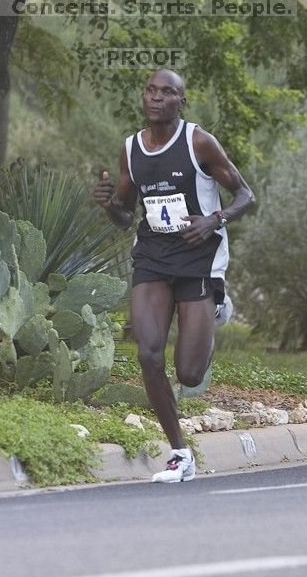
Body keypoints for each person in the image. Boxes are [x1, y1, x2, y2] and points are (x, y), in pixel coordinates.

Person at [92, 69, 255, 483]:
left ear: (182, 102)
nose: (157, 98)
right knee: (148, 353)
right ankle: (180, 453)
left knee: (189, 374)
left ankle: (217, 306)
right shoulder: (131, 148)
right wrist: (109, 205)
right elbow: (127, 216)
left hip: (198, 257)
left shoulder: (198, 141)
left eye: (168, 92)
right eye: (151, 90)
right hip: (152, 255)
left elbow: (245, 194)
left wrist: (214, 219)